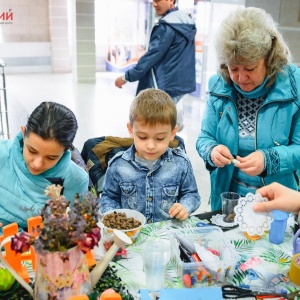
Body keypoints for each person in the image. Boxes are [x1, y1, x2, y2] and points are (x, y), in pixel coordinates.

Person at [196, 7, 300, 210]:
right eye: (233, 68)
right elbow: (204, 137)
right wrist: (212, 151)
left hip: (275, 205)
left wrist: (269, 159)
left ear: (269, 59)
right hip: (227, 203)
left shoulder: (294, 88)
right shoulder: (219, 86)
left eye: (250, 69)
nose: (241, 78)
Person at [100, 88, 200, 222]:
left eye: (159, 138)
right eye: (142, 137)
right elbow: (108, 198)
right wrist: (116, 217)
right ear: (131, 130)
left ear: (172, 133)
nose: (151, 146)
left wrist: (185, 207)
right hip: (131, 236)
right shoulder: (118, 165)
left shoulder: (181, 163)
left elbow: (192, 194)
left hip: (166, 236)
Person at [0, 101, 89, 231]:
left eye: (51, 158)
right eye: (32, 151)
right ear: (23, 133)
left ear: (66, 150)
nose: (37, 164)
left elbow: (75, 231)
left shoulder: (76, 180)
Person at [114, 0, 196, 131]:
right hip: (181, 83)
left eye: (158, 0)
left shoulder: (166, 27)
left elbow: (152, 56)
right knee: (171, 120)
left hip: (165, 84)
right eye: (153, 1)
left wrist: (126, 77)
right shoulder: (188, 24)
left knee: (157, 124)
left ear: (171, 1)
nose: (154, 4)